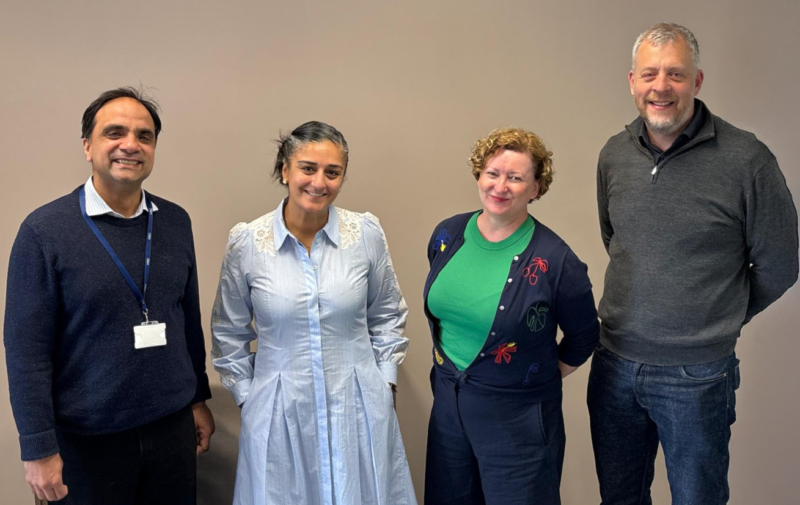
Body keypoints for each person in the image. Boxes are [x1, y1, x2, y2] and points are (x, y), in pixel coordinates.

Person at [590, 22, 798, 505]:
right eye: (650, 75)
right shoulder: (613, 155)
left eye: (676, 75)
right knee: (619, 499)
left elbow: (781, 265)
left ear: (697, 82)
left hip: (697, 375)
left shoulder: (748, 160)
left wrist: (717, 315)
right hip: (614, 365)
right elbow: (617, 241)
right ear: (632, 82)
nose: (661, 87)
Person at [4, 87, 215, 505]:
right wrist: (38, 447)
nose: (130, 145)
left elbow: (186, 320)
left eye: (144, 135)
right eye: (114, 133)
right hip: (87, 443)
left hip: (172, 431)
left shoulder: (174, 221)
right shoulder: (44, 231)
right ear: (88, 145)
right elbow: (26, 351)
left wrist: (197, 399)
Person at [211, 121, 417, 505]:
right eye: (308, 168)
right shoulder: (248, 243)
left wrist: (384, 385)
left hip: (357, 408)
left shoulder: (366, 235)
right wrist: (249, 398)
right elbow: (228, 331)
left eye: (332, 172)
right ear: (285, 170)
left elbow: (387, 313)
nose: (319, 182)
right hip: (279, 412)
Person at [423, 127, 599, 505]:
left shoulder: (557, 261)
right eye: (493, 173)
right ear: (479, 176)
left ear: (536, 188)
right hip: (448, 412)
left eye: (516, 178)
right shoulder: (447, 235)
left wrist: (531, 373)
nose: (500, 186)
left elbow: (585, 336)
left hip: (517, 423)